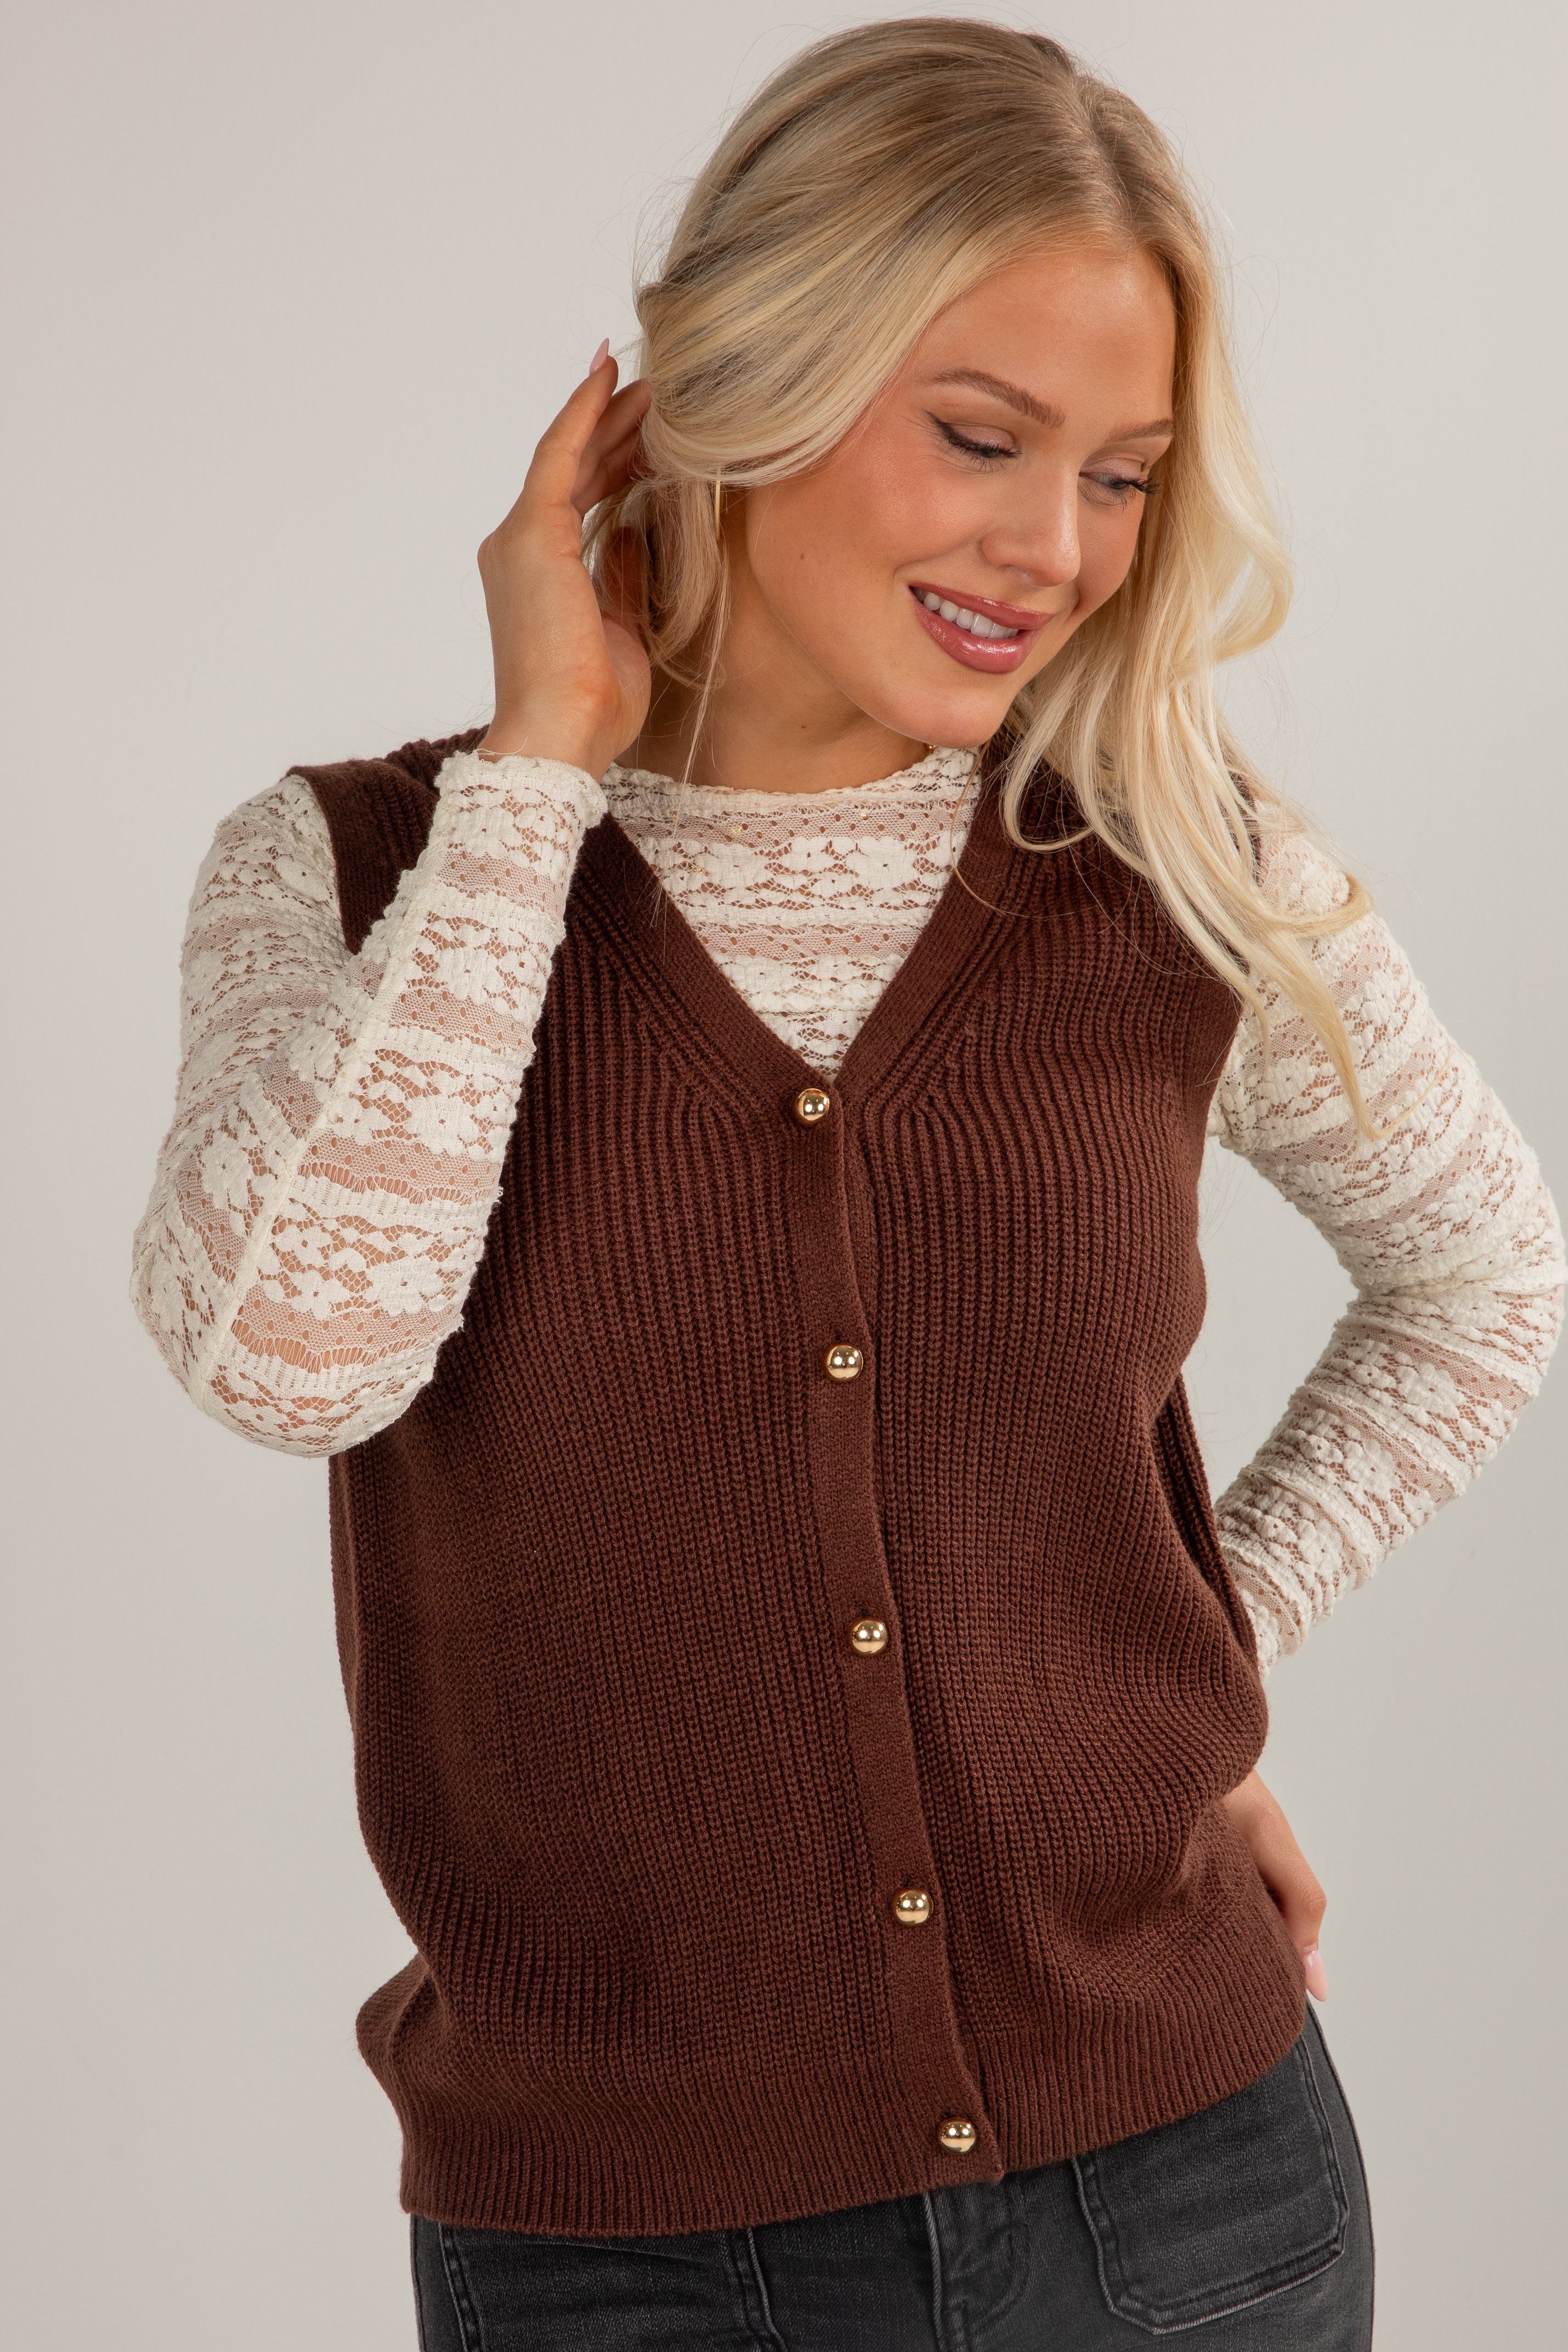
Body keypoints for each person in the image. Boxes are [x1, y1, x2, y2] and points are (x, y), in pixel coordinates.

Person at [130, 20, 1562, 2349]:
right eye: (980, 440)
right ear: (735, 386)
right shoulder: (356, 871)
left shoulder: (1167, 874)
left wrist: (1176, 1683)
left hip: (1186, 2199)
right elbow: (289, 1353)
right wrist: (535, 778)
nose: (1057, 549)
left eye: (1120, 474)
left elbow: (1484, 1276)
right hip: (617, 2252)